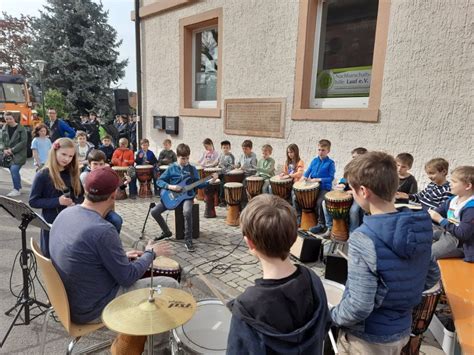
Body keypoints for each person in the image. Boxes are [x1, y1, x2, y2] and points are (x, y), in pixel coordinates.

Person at [330, 151, 439, 354]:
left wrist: (332, 316)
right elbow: (432, 274)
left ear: (363, 191)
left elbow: (360, 306)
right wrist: (398, 291)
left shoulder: (363, 238)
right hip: (401, 331)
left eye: (353, 190)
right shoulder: (419, 227)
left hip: (368, 338)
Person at [49, 166, 178, 326]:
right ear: (113, 195)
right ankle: (160, 349)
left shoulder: (65, 213)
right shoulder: (103, 230)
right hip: (93, 309)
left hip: (69, 302)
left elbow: (83, 257)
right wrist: (150, 253)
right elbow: (127, 277)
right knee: (171, 285)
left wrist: (121, 257)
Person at [226, 194, 331, 354]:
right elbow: (325, 325)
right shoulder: (312, 279)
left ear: (250, 243)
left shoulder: (247, 307)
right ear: (295, 237)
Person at [151, 143, 217, 252]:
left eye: (187, 158)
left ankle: (188, 240)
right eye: (183, 158)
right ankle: (166, 231)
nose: (185, 161)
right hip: (172, 196)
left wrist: (211, 181)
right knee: (154, 212)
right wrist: (170, 186)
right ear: (177, 157)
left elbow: (198, 184)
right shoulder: (171, 168)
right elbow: (159, 181)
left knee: (187, 212)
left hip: (187, 197)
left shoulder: (192, 169)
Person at [29, 138, 83, 258]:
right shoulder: (42, 175)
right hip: (51, 224)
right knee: (51, 258)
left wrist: (76, 203)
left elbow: (81, 196)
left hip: (71, 223)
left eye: (70, 156)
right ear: (55, 152)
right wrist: (57, 201)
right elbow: (33, 201)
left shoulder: (72, 173)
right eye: (64, 154)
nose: (67, 159)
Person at [315, 147, 368, 237]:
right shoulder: (351, 167)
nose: (353, 160)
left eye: (356, 157)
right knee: (325, 203)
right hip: (347, 193)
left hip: (359, 195)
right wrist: (342, 184)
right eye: (353, 157)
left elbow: (366, 187)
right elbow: (345, 177)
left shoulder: (367, 171)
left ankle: (352, 233)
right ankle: (330, 228)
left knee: (353, 211)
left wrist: (353, 191)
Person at [429, 166, 474, 262]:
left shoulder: (471, 208)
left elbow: (463, 234)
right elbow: (437, 212)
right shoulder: (454, 199)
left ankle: (431, 276)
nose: (450, 184)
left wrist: (440, 220)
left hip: (460, 242)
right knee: (417, 235)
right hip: (448, 233)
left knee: (427, 254)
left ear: (468, 186)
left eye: (454, 182)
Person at [79, 149, 125, 233]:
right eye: (95, 164)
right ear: (89, 164)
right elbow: (89, 197)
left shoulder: (106, 174)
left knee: (117, 220)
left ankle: (114, 240)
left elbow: (115, 193)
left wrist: (124, 184)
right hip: (90, 210)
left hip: (105, 209)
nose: (98, 167)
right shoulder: (85, 176)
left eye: (101, 164)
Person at [303, 139, 336, 232]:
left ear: (328, 151)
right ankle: (299, 218)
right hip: (312, 186)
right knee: (296, 196)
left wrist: (319, 179)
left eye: (323, 150)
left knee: (319, 202)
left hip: (324, 187)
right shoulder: (314, 160)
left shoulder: (330, 163)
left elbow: (331, 178)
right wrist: (305, 176)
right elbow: (308, 171)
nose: (320, 152)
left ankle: (321, 225)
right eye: (319, 150)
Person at [0, 112, 28, 197]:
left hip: (19, 154)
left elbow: (23, 142)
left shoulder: (21, 128)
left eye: (10, 119)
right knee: (14, 171)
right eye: (6, 119)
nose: (8, 121)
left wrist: (12, 150)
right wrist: (4, 149)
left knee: (14, 169)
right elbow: (1, 141)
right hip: (6, 154)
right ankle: (18, 187)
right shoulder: (4, 128)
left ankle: (16, 189)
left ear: (14, 118)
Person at [217, 140, 235, 206]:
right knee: (213, 182)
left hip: (227, 174)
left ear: (229, 148)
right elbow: (218, 163)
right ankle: (216, 199)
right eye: (224, 147)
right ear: (221, 148)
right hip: (220, 172)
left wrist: (225, 169)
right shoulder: (221, 155)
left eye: (227, 147)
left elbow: (232, 167)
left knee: (222, 183)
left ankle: (223, 200)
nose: (225, 149)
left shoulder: (231, 156)